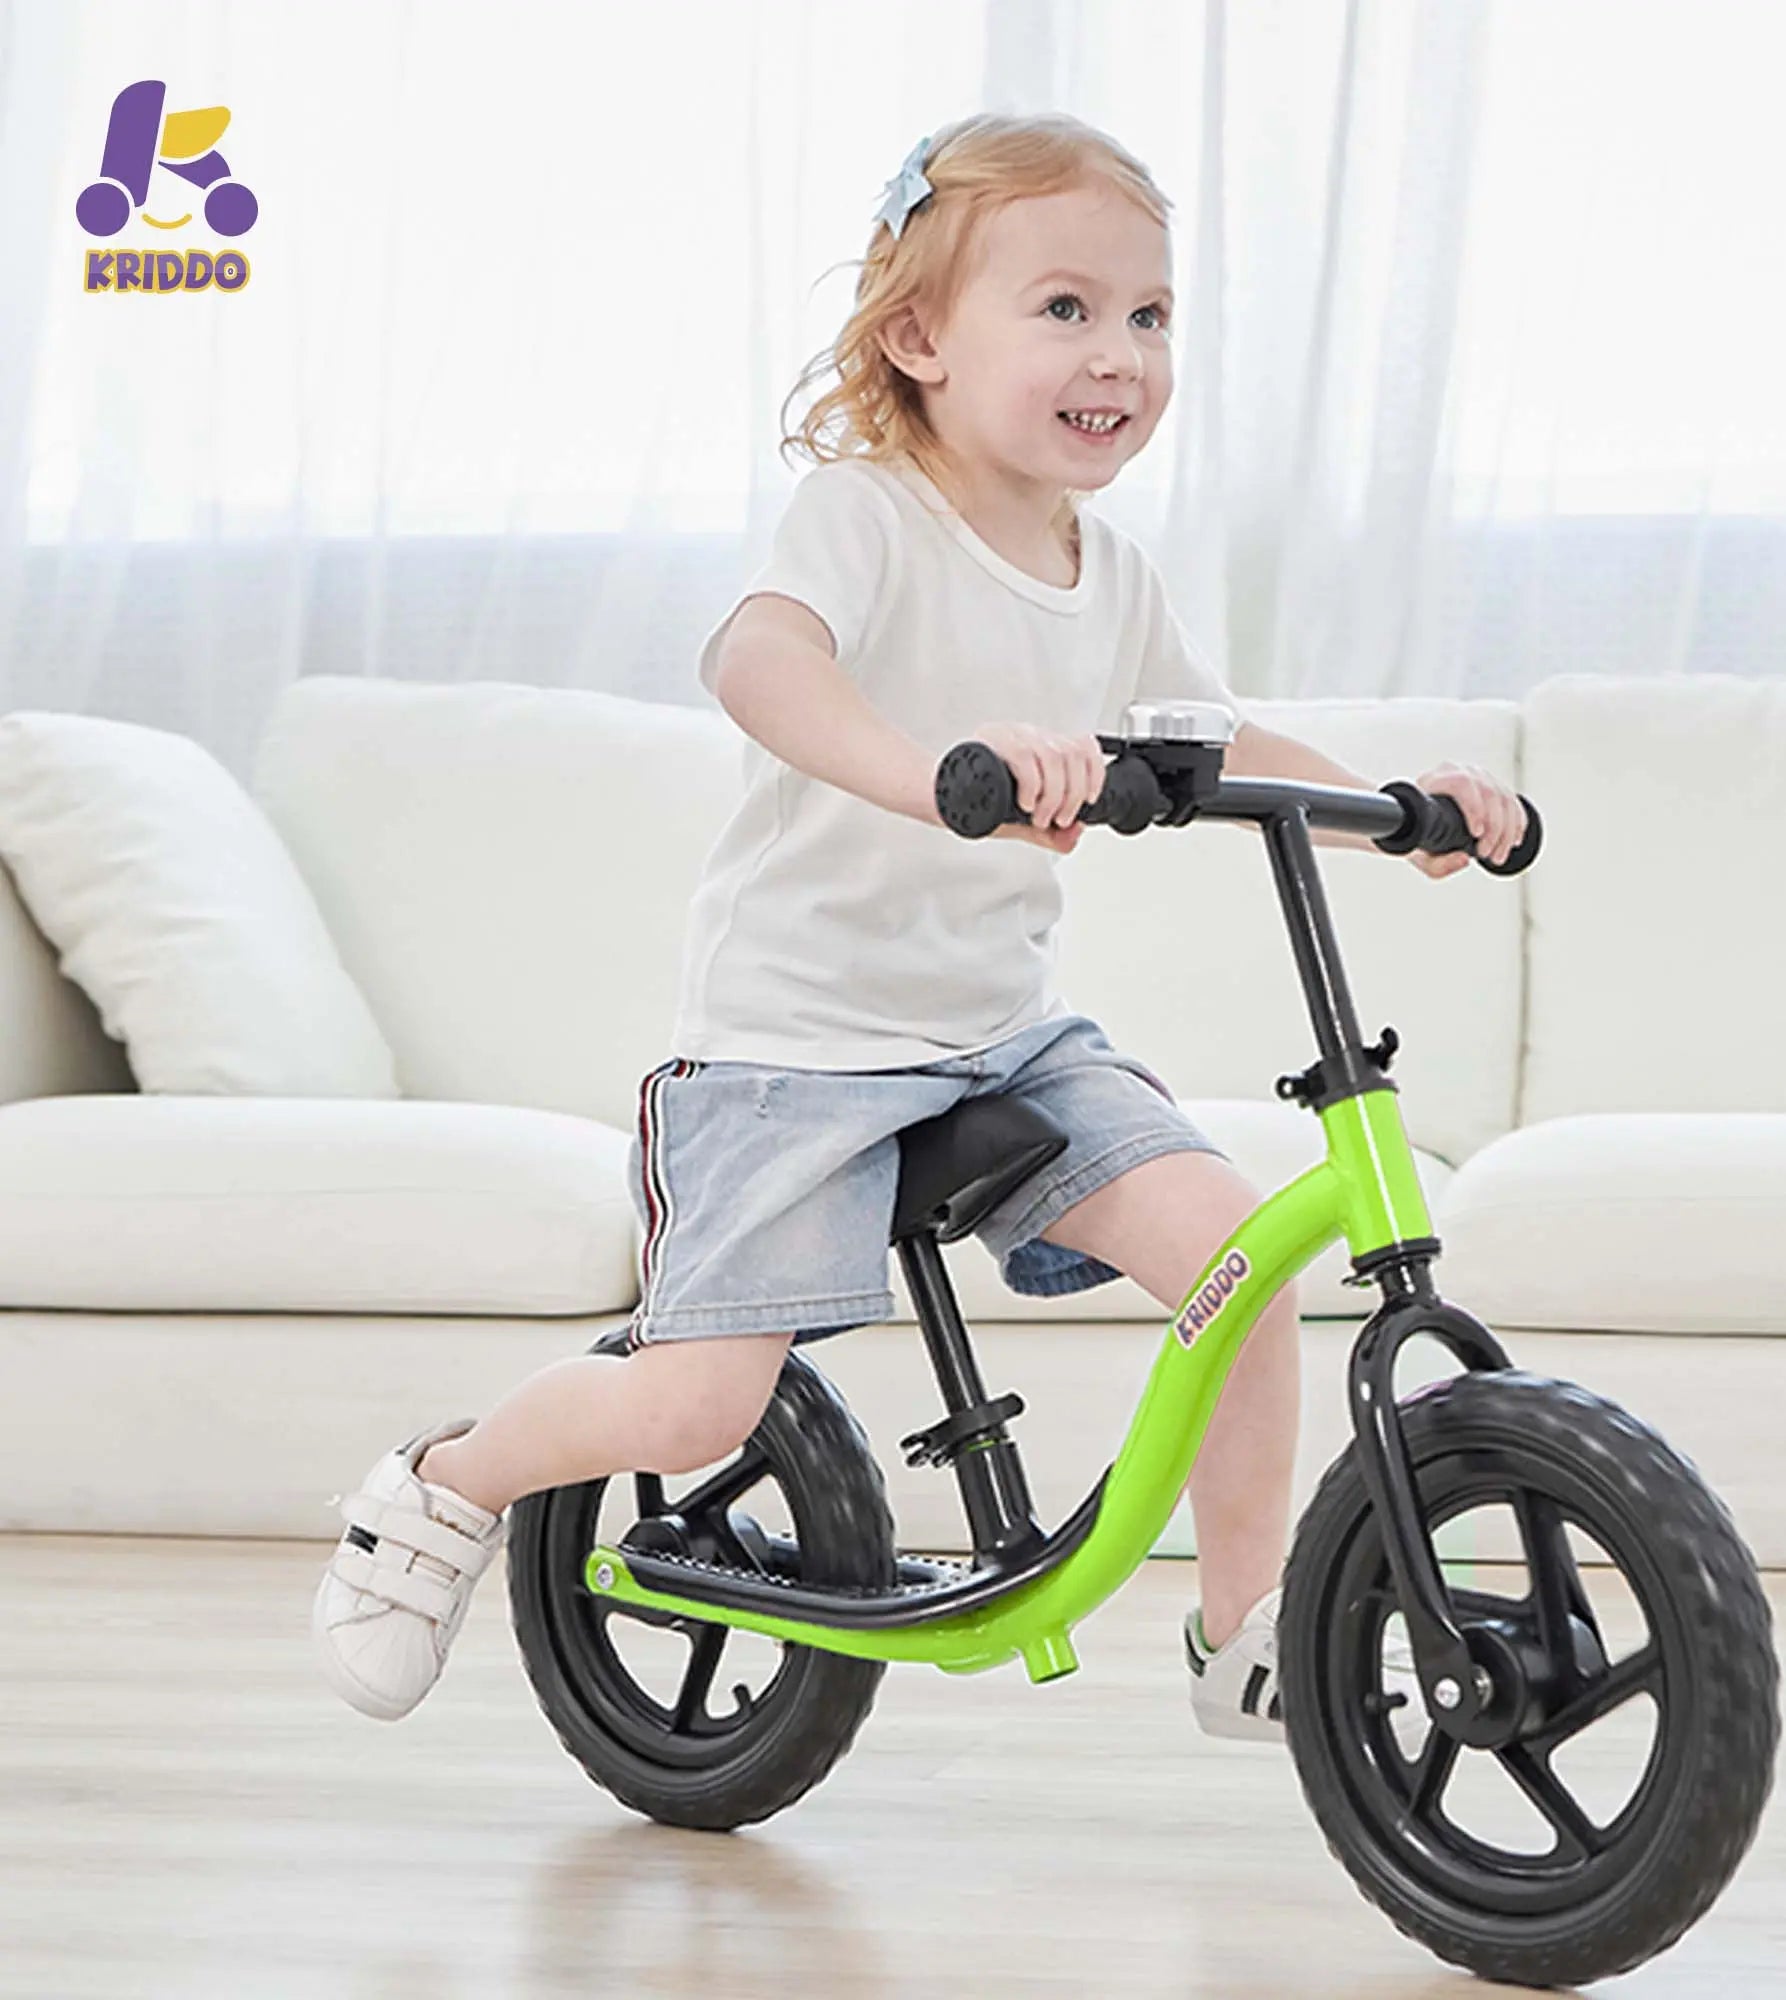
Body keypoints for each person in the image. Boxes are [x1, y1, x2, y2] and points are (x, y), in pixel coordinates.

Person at [312, 110, 1528, 1741]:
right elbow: (758, 663)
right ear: (918, 338)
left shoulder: (1113, 572)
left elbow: (1212, 742)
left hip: (992, 1040)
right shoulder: (868, 515)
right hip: (788, 1057)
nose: (1123, 353)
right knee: (690, 1401)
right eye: (1068, 308)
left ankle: (1246, 1633)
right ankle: (442, 1488)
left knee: (1236, 1265)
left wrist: (1398, 807)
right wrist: (926, 774)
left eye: (1152, 317)